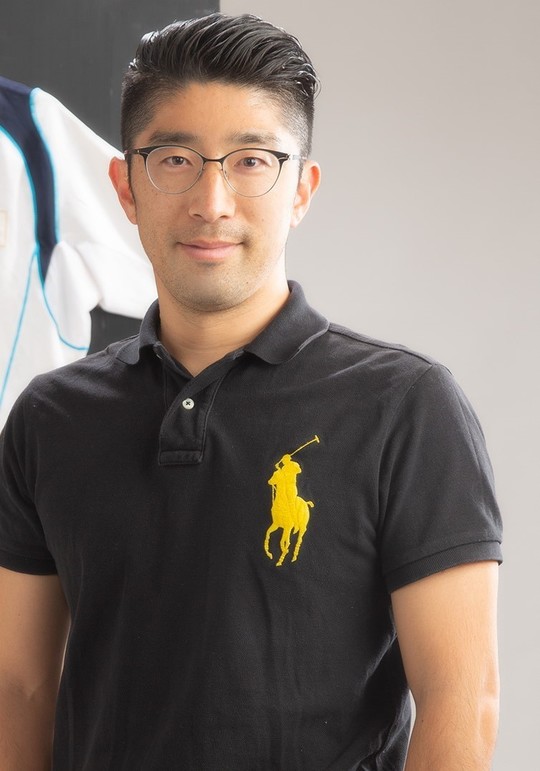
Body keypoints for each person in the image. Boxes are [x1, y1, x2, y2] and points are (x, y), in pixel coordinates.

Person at [0, 13, 502, 771]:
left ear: (301, 189)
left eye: (251, 161)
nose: (212, 201)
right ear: (125, 186)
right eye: (175, 159)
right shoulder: (49, 418)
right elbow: (20, 688)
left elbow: (462, 698)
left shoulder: (406, 407)